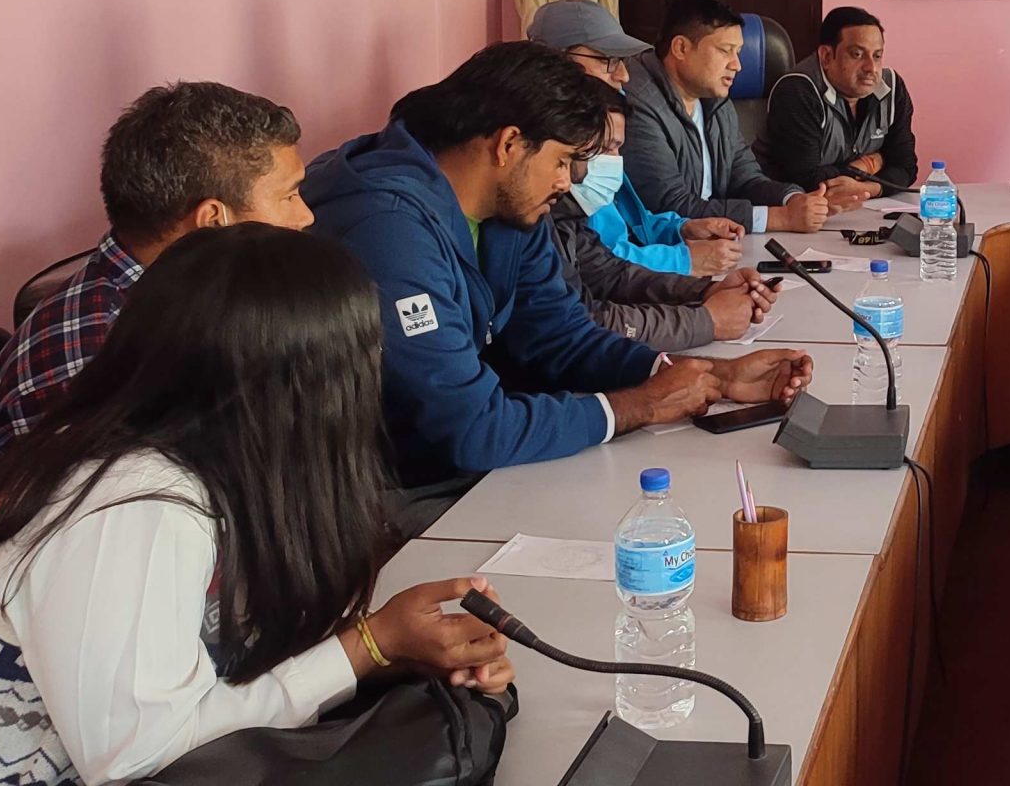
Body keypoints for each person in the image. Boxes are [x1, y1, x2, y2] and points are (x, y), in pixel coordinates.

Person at [0, 226, 518, 786]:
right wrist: (367, 647)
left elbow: (229, 658)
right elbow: (148, 759)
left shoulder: (196, 461)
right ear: (301, 393)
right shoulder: (129, 504)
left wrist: (391, 654)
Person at [304, 42, 812, 490]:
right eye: (564, 160)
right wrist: (640, 405)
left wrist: (704, 378)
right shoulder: (388, 230)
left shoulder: (509, 207)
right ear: (508, 145)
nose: (568, 182)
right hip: (389, 489)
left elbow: (561, 336)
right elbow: (468, 427)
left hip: (473, 465)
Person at [0, 81, 312, 496]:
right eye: (289, 196)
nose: (305, 216)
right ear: (214, 220)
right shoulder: (101, 360)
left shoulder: (198, 300)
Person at [529, 0, 747, 278]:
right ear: (556, 62)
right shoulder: (548, 152)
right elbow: (595, 260)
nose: (624, 75)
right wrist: (683, 260)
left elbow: (630, 222)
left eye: (623, 61)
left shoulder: (606, 124)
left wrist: (681, 229)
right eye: (608, 61)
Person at [558, 107, 779, 352]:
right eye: (605, 148)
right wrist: (706, 321)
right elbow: (574, 326)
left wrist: (707, 291)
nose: (562, 181)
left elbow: (608, 273)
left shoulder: (564, 215)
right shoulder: (544, 217)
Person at [621, 0, 840, 230]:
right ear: (681, 48)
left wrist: (793, 199)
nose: (737, 65)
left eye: (738, 52)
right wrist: (780, 218)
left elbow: (746, 179)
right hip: (665, 244)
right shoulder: (636, 103)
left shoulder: (716, 99)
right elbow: (668, 205)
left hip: (717, 239)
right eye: (725, 51)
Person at [759, 5, 917, 198]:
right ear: (826, 56)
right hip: (792, 208)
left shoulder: (892, 87)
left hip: (864, 206)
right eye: (857, 54)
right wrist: (869, 164)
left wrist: (868, 189)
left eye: (877, 56)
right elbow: (805, 180)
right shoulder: (798, 90)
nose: (871, 68)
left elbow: (907, 168)